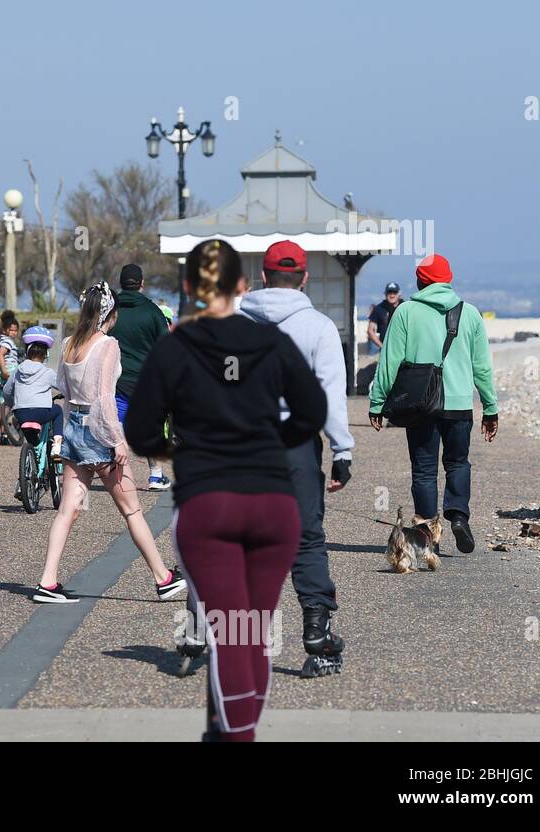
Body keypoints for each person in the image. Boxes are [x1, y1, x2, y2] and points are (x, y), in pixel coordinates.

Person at [126, 239, 326, 742]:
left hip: (208, 503)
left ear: (189, 288)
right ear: (243, 285)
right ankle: (232, 731)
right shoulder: (272, 344)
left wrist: (182, 451)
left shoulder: (175, 349)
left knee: (230, 634)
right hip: (273, 504)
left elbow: (143, 433)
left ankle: (235, 736)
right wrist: (267, 443)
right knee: (251, 633)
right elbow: (312, 413)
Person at [239, 240, 354, 677]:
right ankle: (317, 629)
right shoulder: (319, 327)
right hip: (297, 447)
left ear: (263, 276)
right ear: (304, 278)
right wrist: (342, 450)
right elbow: (329, 396)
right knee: (306, 538)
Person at [32, 281, 185, 604]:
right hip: (100, 431)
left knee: (67, 510)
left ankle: (47, 581)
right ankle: (164, 578)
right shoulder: (107, 345)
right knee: (132, 510)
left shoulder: (71, 342)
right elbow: (105, 397)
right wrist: (117, 442)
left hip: (75, 425)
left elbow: (63, 387)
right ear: (110, 314)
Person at [369, 254, 497, 554]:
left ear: (419, 281)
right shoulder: (471, 313)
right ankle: (459, 516)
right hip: (459, 404)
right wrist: (490, 407)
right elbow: (482, 367)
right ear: (448, 279)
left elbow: (389, 361)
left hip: (420, 406)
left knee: (424, 470)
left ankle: (427, 535)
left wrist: (377, 402)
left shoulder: (405, 312)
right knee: (457, 462)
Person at [108, 264, 172, 491]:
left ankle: (115, 474)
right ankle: (155, 475)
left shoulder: (112, 311)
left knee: (114, 427)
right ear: (142, 283)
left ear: (121, 283)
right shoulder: (153, 311)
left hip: (114, 380)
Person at [3, 326, 64, 499]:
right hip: (41, 413)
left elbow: (7, 391)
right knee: (58, 411)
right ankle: (57, 446)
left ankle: (23, 482)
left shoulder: (18, 371)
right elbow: (63, 386)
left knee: (32, 444)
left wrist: (13, 403)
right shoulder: (47, 372)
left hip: (21, 413)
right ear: (45, 355)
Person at [0, 311, 21, 444]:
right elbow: (1, 354)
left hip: (0, 374)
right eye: (12, 330)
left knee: (2, 403)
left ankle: (4, 435)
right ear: (5, 330)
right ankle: (14, 425)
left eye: (16, 331)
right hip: (8, 373)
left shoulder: (0, 340)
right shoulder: (7, 341)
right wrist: (5, 370)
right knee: (16, 401)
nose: (14, 333)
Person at [367, 282, 402, 354]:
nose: (392, 295)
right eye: (389, 292)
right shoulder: (378, 308)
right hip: (385, 351)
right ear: (385, 294)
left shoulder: (405, 307)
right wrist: (382, 347)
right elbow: (370, 330)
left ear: (399, 294)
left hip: (402, 349)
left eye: (394, 292)